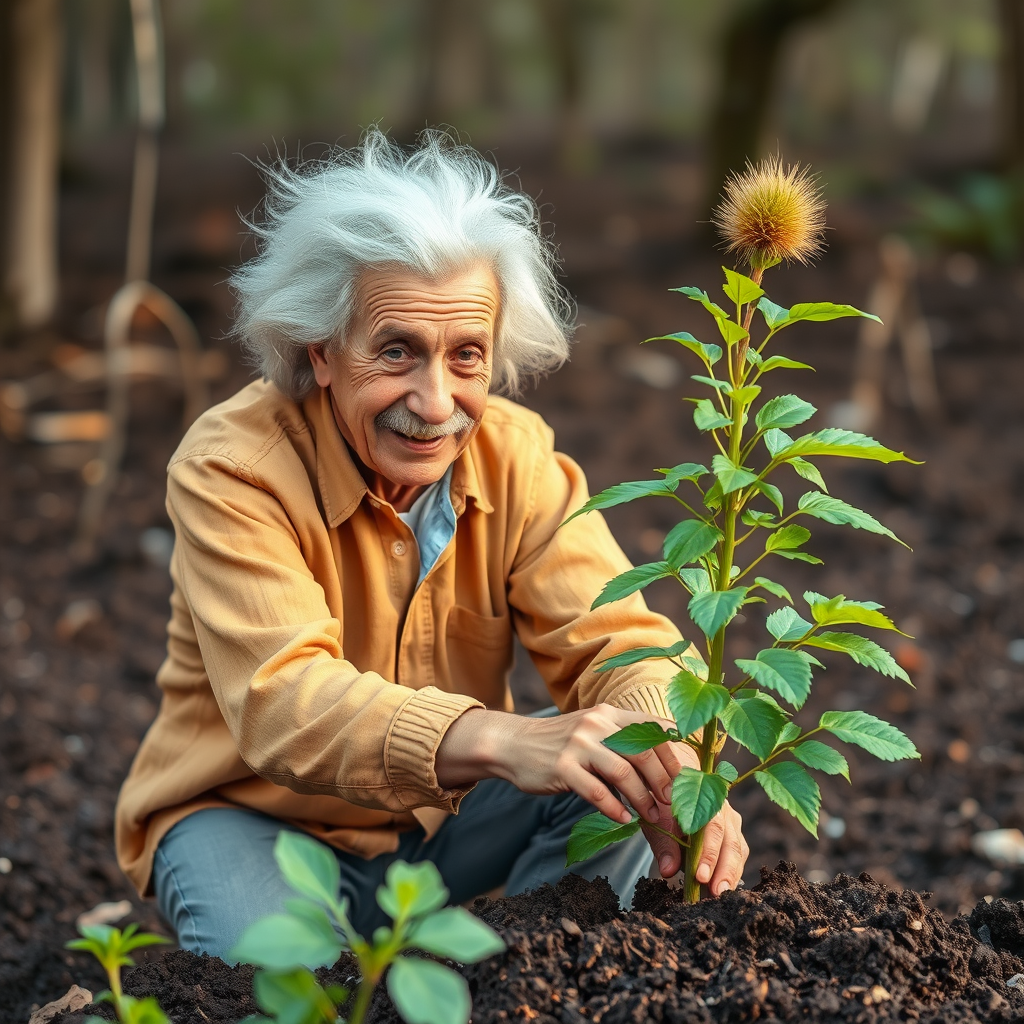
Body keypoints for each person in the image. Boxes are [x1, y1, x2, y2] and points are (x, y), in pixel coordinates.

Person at [115, 129, 748, 959]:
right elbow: (283, 699)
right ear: (324, 351)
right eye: (397, 351)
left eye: (467, 355)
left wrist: (671, 757)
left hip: (443, 826)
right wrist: (503, 738)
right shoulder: (235, 468)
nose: (436, 399)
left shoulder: (517, 457)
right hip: (251, 815)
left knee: (621, 788)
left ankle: (528, 979)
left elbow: (617, 638)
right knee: (291, 991)